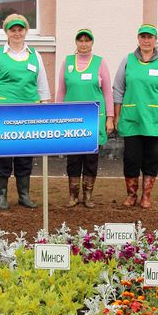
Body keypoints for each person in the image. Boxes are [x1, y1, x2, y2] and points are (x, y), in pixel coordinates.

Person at [0, 13, 51, 210]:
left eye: (20, 29)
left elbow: (43, 88)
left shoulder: (35, 56)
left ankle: (24, 195)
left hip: (29, 114)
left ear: (26, 31)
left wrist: (45, 110)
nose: (17, 33)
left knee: (25, 156)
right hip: (3, 114)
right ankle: (2, 196)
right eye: (12, 30)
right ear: (6, 32)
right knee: (2, 156)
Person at [112, 23, 158, 208]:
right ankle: (131, 195)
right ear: (138, 39)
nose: (146, 40)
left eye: (150, 37)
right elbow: (118, 89)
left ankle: (146, 196)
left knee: (151, 158)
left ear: (155, 40)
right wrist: (117, 115)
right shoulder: (127, 61)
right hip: (132, 119)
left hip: (155, 120)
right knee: (131, 158)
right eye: (143, 37)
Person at [55, 28, 114, 208]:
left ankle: (88, 196)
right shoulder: (67, 62)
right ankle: (73, 196)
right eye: (80, 40)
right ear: (76, 42)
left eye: (87, 40)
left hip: (94, 119)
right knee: (73, 158)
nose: (84, 44)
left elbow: (107, 93)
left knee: (90, 158)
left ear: (92, 43)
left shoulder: (100, 62)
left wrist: (110, 117)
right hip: (72, 119)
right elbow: (61, 91)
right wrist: (57, 116)